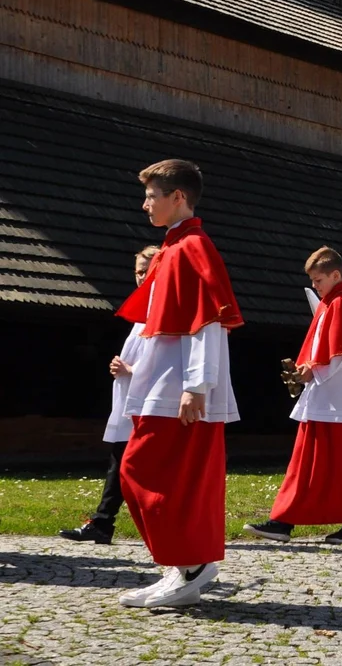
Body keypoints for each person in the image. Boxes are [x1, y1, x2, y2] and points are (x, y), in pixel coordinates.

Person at [113, 159, 243, 607]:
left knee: (151, 471)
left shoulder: (193, 247)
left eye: (153, 195)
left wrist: (196, 385)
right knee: (147, 471)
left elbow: (206, 321)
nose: (145, 203)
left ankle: (192, 564)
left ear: (178, 198)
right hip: (161, 383)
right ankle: (180, 565)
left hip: (179, 390)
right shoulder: (173, 246)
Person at [245, 248, 342, 545]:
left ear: (336, 275)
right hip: (333, 400)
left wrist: (312, 371)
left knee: (335, 463)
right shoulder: (331, 303)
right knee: (312, 461)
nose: (315, 286)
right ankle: (287, 520)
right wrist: (310, 369)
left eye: (319, 280)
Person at [59, 246, 160, 545]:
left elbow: (165, 358)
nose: (141, 277)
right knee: (120, 462)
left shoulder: (164, 308)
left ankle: (154, 524)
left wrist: (132, 368)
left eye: (146, 270)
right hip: (131, 398)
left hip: (151, 402)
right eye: (137, 272)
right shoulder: (143, 311)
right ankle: (103, 522)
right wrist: (123, 366)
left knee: (137, 467)